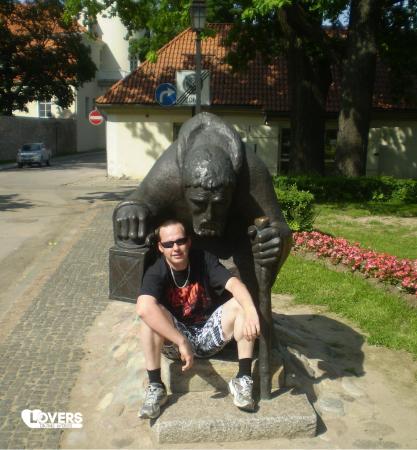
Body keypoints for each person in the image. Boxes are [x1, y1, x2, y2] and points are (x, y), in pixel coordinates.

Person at [136, 219, 261, 419]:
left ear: (188, 241)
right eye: (168, 244)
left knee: (241, 304)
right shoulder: (156, 270)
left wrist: (252, 311)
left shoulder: (203, 259)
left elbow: (235, 284)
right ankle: (156, 386)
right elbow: (143, 308)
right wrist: (181, 341)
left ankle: (243, 378)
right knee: (149, 317)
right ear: (160, 247)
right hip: (176, 341)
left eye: (180, 241)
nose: (175, 248)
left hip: (208, 334)